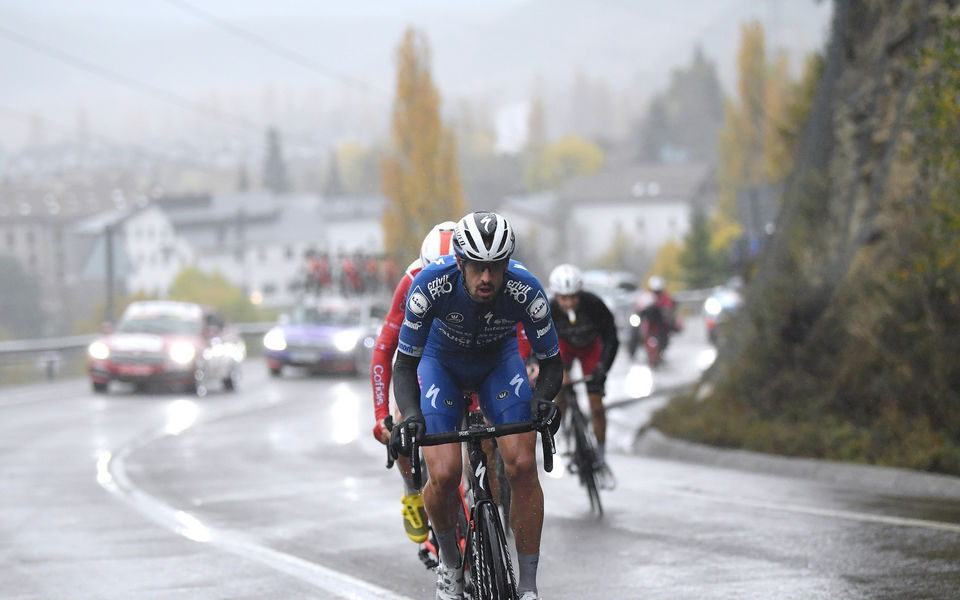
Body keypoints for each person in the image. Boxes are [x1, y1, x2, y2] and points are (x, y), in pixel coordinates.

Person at [392, 211, 563, 600]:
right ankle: (451, 566)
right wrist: (413, 415)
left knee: (521, 465)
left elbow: (551, 362)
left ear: (506, 265)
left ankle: (529, 587)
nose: (486, 278)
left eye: (495, 268)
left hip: (497, 364)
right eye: (477, 268)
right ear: (460, 262)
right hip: (441, 365)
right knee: (445, 473)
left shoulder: (526, 290)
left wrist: (543, 400)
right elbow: (404, 364)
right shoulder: (429, 284)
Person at [370, 221, 457, 544]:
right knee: (404, 427)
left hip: (467, 358)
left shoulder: (481, 277)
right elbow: (383, 351)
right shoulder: (409, 282)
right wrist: (382, 417)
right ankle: (412, 492)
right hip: (422, 361)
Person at [547, 263, 619, 466]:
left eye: (573, 297)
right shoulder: (549, 309)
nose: (569, 303)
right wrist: (557, 371)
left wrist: (602, 369)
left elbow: (611, 338)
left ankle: (601, 452)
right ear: (556, 296)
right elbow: (540, 342)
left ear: (581, 294)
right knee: (558, 393)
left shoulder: (594, 304)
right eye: (563, 298)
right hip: (564, 347)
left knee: (596, 405)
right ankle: (563, 436)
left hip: (590, 348)